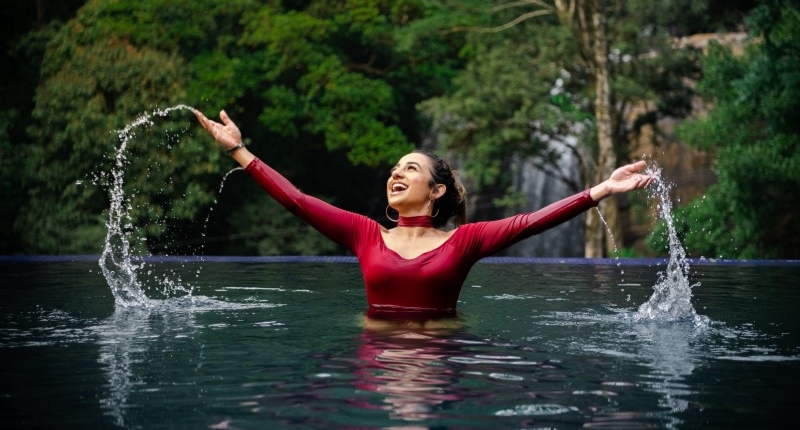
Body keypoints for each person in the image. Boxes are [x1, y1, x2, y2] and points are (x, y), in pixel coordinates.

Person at [194, 109, 654, 322]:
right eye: (394, 168)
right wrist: (238, 149)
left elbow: (533, 221)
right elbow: (296, 200)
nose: (396, 173)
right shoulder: (363, 233)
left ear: (435, 191)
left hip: (445, 360)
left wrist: (604, 189)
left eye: (409, 169)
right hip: (372, 360)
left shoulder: (465, 240)